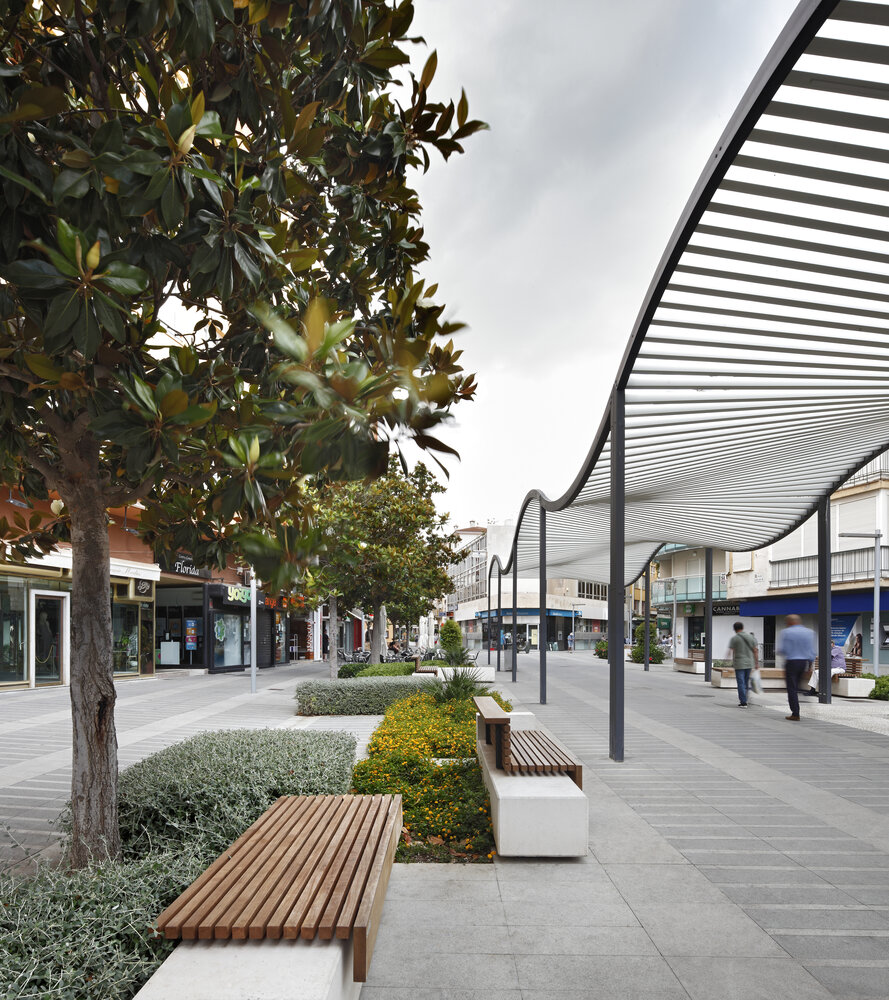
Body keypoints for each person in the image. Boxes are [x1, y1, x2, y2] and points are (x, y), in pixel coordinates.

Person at [776, 614, 816, 721]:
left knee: (792, 688)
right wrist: (810, 665)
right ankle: (800, 702)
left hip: (792, 662)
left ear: (789, 622)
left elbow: (782, 649)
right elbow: (812, 651)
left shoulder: (786, 632)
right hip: (803, 663)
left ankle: (795, 713)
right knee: (797, 685)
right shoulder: (809, 632)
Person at [727, 621, 758, 708]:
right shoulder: (751, 637)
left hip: (739, 663)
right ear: (743, 628)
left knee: (741, 682)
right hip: (749, 663)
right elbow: (755, 651)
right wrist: (756, 663)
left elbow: (730, 651)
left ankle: (743, 702)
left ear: (734, 629)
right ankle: (745, 698)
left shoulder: (734, 638)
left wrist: (727, 661)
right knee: (746, 682)